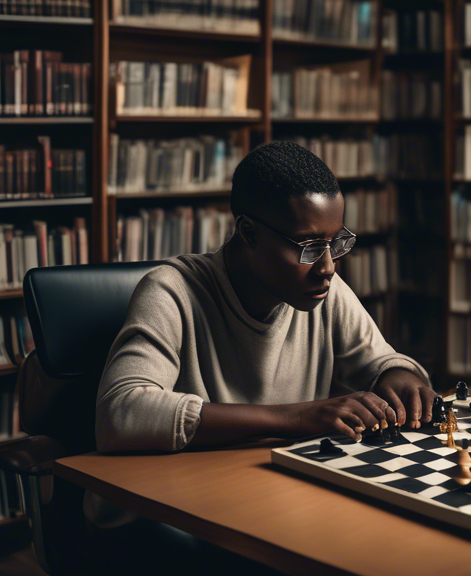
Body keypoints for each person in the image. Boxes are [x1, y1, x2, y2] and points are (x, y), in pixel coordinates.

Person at [88, 141, 436, 572]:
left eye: (336, 243)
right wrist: (297, 418)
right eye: (309, 247)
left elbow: (381, 361)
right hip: (167, 518)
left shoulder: (322, 293)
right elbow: (120, 413)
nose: (328, 266)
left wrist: (400, 376)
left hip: (269, 502)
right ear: (248, 232)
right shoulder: (171, 291)